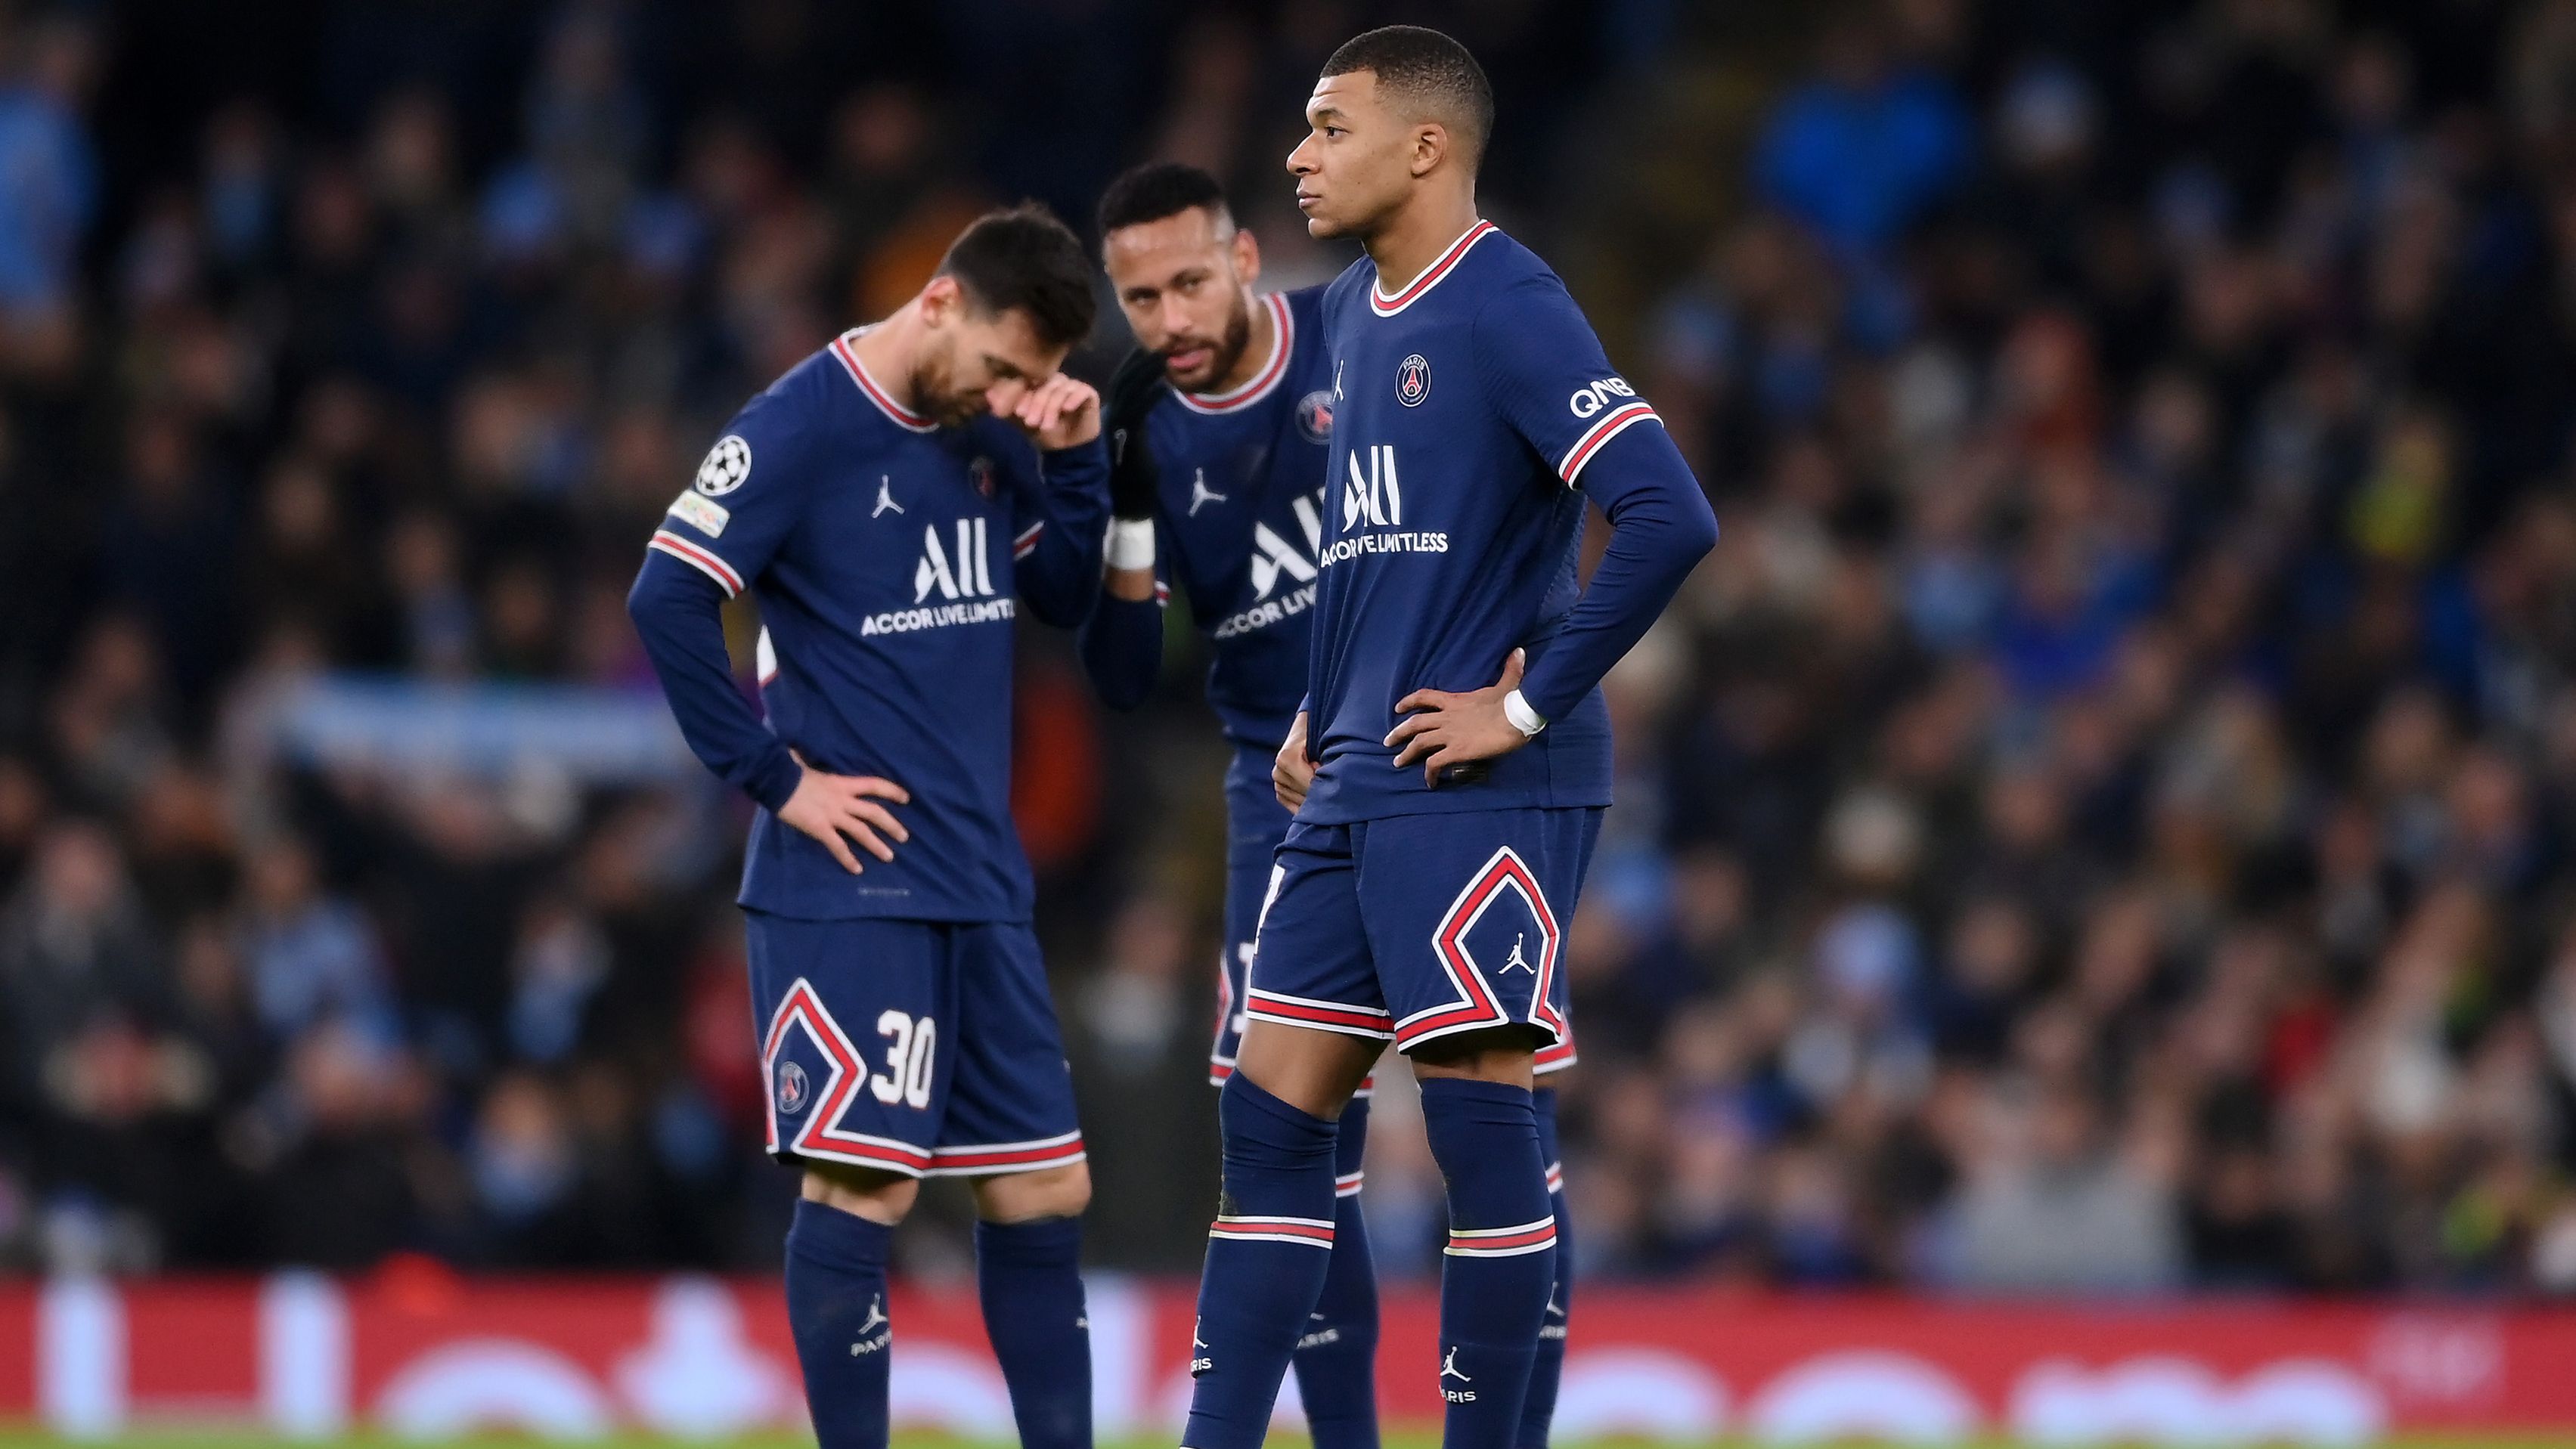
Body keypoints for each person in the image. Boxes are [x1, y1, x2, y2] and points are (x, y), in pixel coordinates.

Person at [1179, 26, 1716, 1449]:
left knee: (1482, 1124)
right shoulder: (1357, 312)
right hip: (1359, 767)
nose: (1298, 154)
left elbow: (1669, 512)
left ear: (1425, 145)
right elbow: (1379, 548)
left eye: (1328, 126)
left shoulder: (1512, 302)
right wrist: (1317, 703)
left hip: (1480, 778)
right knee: (1268, 1112)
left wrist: (1526, 704)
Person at [625, 203, 1108, 1449]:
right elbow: (668, 593)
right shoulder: (804, 422)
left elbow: (1058, 594)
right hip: (851, 882)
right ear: (941, 302)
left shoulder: (993, 429)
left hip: (978, 874)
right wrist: (776, 780)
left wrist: (1075, 455)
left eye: (1034, 379)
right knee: (865, 1184)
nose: (1011, 393)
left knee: (1046, 1184)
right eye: (1006, 367)